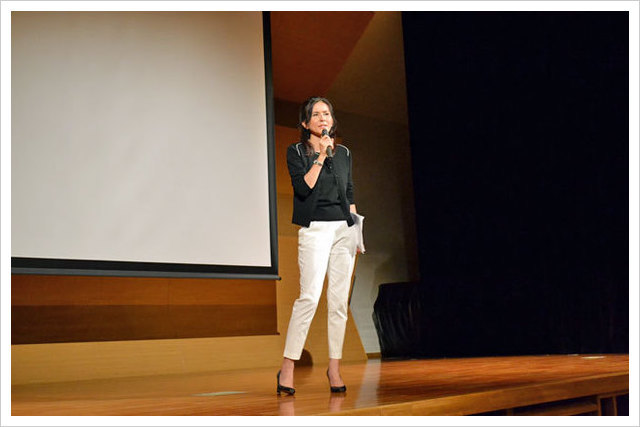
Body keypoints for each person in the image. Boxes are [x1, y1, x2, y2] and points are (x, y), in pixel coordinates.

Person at [277, 96, 359, 395]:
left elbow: (349, 192)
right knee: (309, 297)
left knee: (338, 303)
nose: (323, 118)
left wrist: (356, 232)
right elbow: (303, 186)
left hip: (343, 230)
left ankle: (334, 368)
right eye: (316, 114)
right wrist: (322, 156)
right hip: (315, 230)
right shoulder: (296, 151)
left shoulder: (345, 152)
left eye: (327, 113)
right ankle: (287, 367)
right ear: (305, 122)